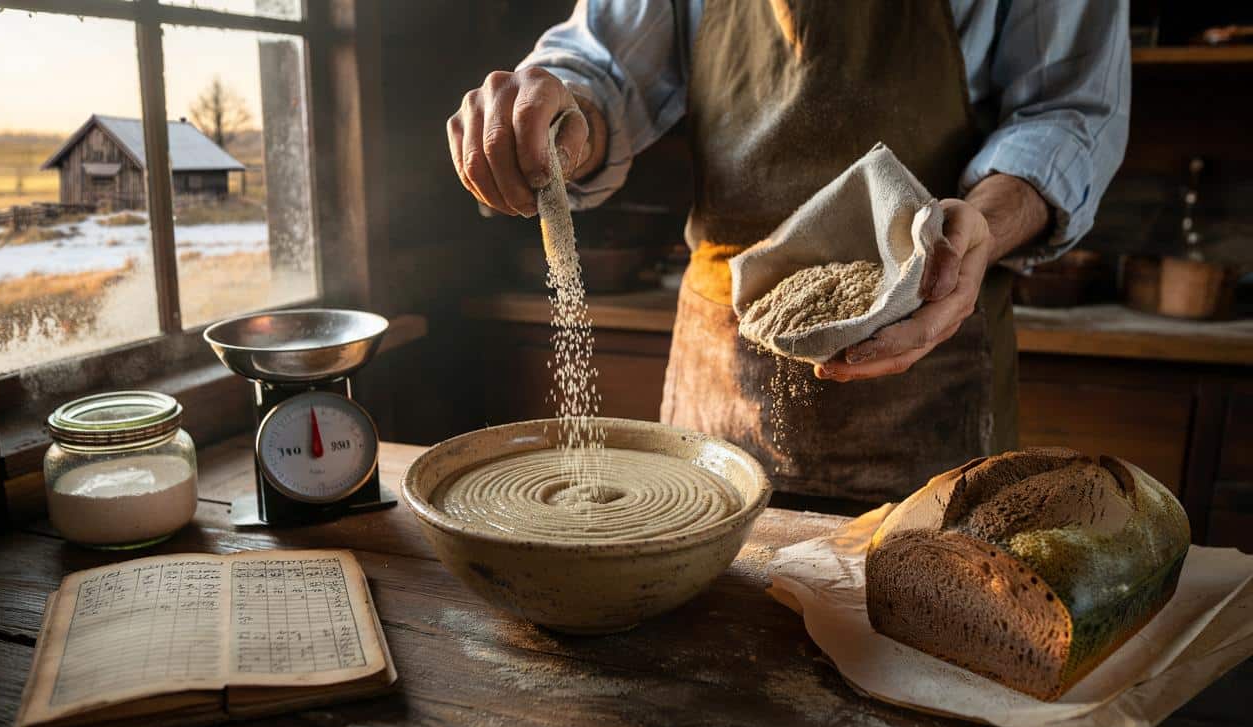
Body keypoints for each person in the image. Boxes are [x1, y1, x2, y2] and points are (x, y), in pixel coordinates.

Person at [448, 0, 1129, 504]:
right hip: (724, 370)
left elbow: (1068, 111)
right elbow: (603, 67)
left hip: (930, 347)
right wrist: (556, 115)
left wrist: (979, 225)